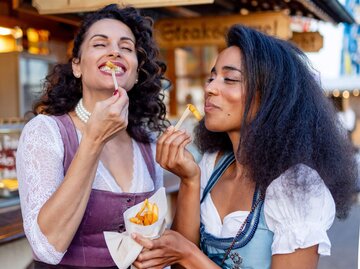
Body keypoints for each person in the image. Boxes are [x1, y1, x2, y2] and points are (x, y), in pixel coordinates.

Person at [132, 24, 358, 269]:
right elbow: (177, 265)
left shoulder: (297, 188)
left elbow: (184, 256)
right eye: (211, 77)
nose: (209, 88)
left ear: (270, 97)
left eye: (229, 79)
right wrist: (189, 180)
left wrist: (189, 255)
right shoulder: (212, 163)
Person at [16, 4, 168, 268]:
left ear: (134, 73)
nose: (114, 51)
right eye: (100, 44)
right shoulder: (46, 132)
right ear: (77, 65)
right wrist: (94, 140)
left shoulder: (147, 143)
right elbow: (46, 248)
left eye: (127, 47)